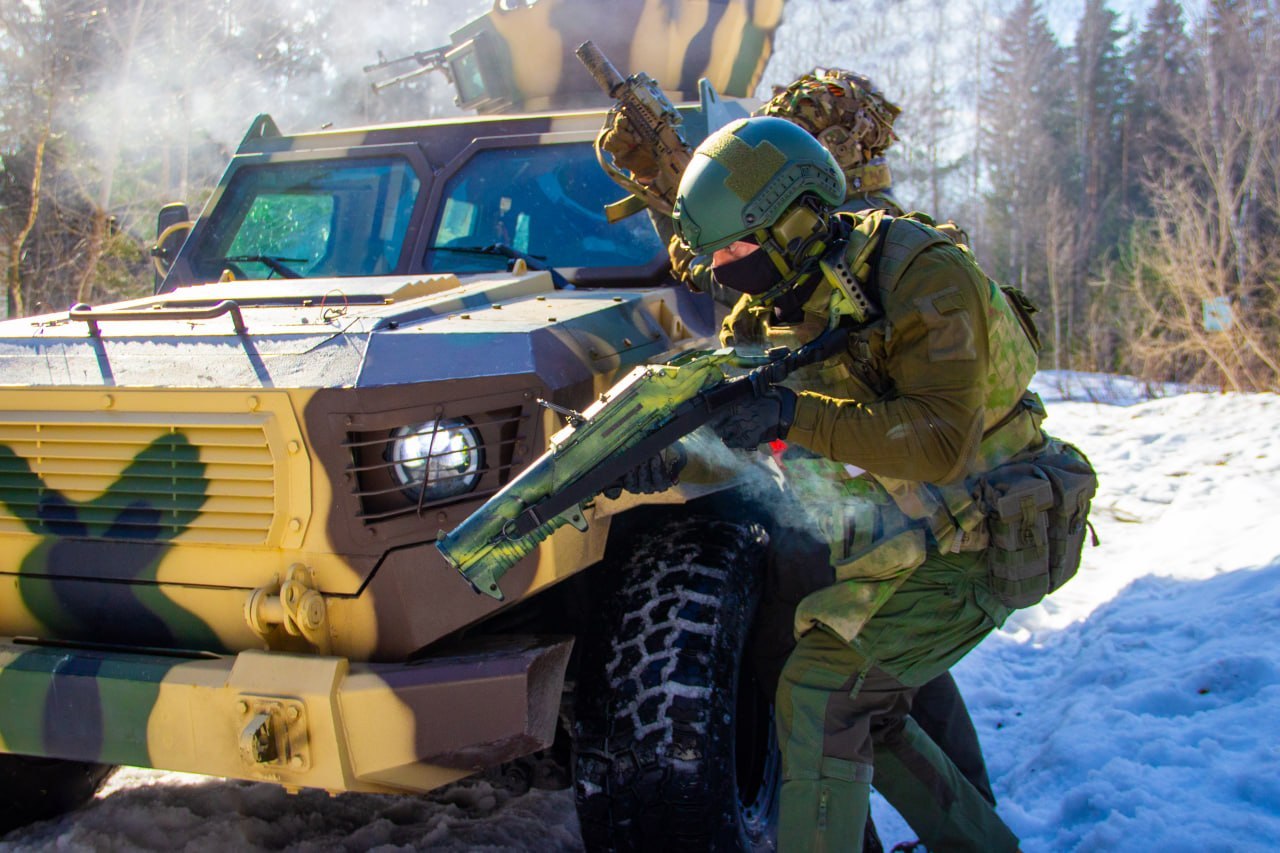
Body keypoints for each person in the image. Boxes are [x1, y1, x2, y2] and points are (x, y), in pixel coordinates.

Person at [603, 69, 1002, 839]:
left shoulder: (893, 257)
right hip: (833, 506)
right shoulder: (773, 262)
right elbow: (733, 315)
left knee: (874, 683)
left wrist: (788, 412)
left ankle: (969, 828)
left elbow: (934, 430)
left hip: (922, 505)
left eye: (807, 124)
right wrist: (669, 458)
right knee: (825, 683)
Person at [670, 114, 1049, 851]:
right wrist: (681, 449)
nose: (720, 268)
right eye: (713, 252)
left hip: (987, 525)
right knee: (845, 691)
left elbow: (942, 442)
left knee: (830, 691)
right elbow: (751, 435)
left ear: (797, 222)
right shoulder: (766, 311)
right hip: (882, 534)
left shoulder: (923, 275)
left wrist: (792, 413)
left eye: (737, 247)